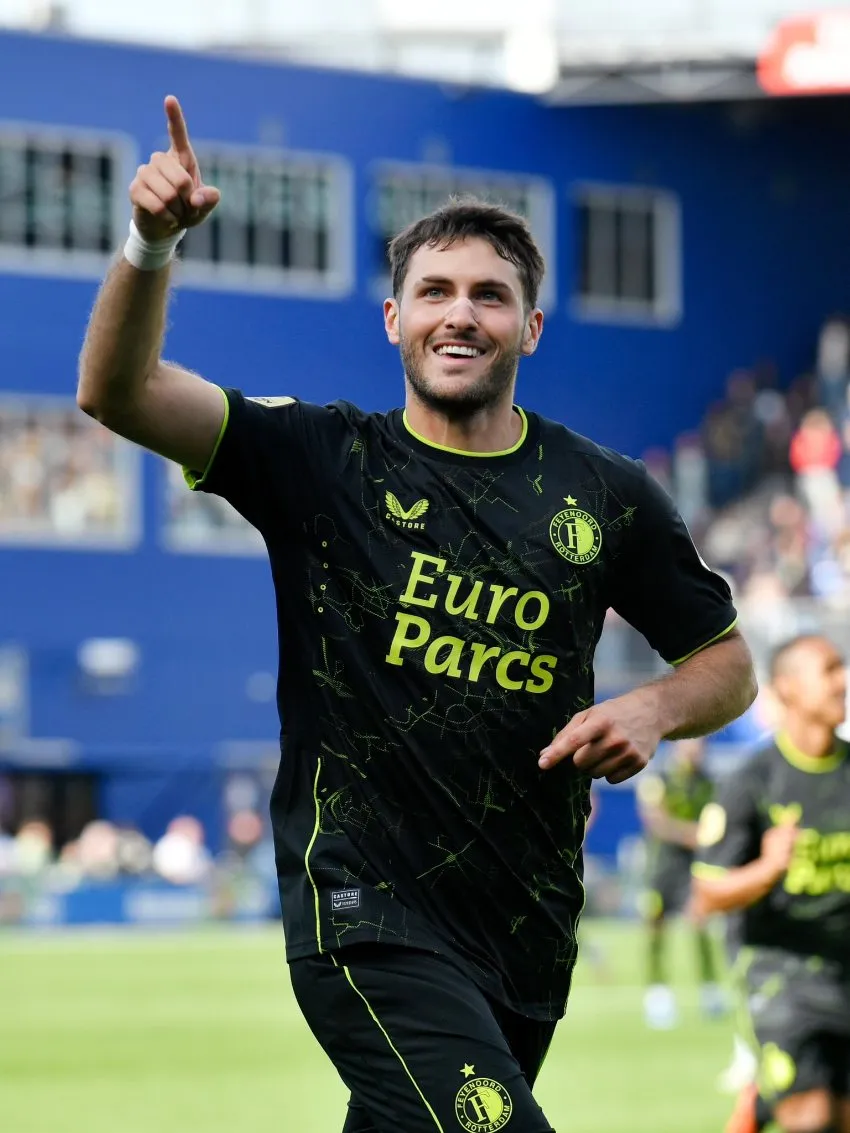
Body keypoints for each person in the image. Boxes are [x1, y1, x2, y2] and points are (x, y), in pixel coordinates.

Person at [77, 96, 757, 1133]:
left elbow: (726, 661)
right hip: (364, 912)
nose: (460, 312)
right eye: (432, 290)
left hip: (523, 922)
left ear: (529, 325)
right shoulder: (319, 458)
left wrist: (657, 706)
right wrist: (149, 242)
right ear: (391, 318)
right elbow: (118, 391)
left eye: (490, 295)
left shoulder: (606, 494)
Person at [692, 634, 850, 1133]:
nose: (844, 681)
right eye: (829, 670)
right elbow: (708, 893)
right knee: (811, 1118)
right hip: (781, 974)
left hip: (845, 968)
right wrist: (767, 869)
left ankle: (759, 1101)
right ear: (787, 688)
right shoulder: (751, 781)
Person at [636, 737, 723, 1029]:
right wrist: (694, 834)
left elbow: (718, 820)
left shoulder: (709, 782)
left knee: (700, 925)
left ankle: (710, 991)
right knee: (656, 931)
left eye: (700, 745)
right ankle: (657, 995)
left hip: (693, 868)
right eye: (690, 744)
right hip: (661, 867)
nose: (695, 750)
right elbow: (656, 821)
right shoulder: (658, 778)